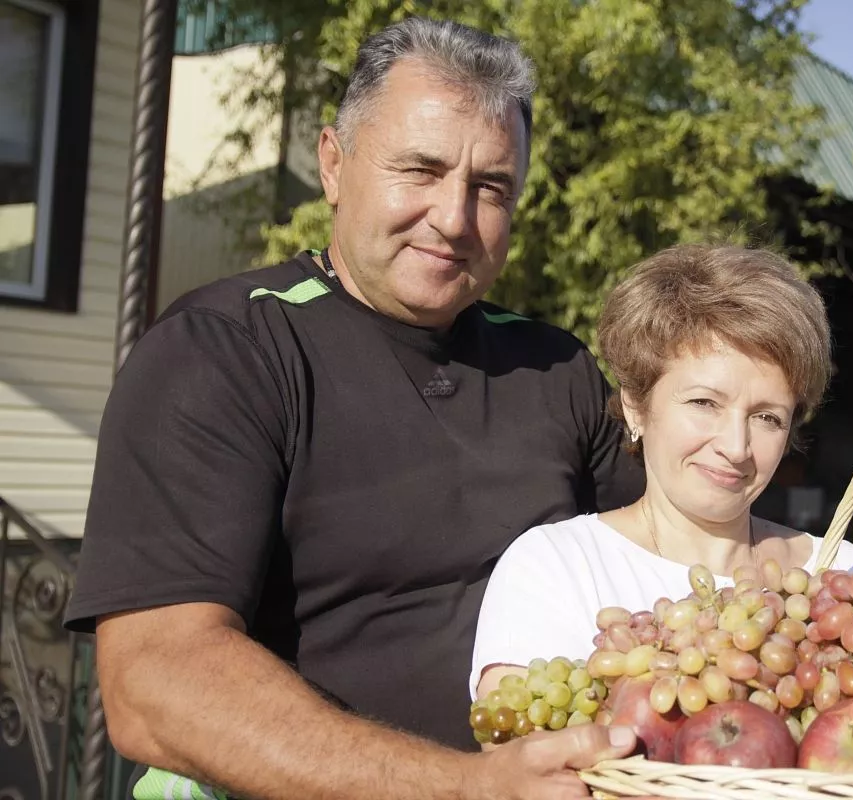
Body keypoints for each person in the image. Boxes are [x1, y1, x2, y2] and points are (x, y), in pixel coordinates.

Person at [63, 16, 647, 800]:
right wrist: (465, 789)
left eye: (491, 187)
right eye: (419, 170)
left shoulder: (558, 367)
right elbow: (155, 683)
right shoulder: (226, 350)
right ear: (334, 163)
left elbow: (675, 574)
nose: (453, 217)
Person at [471, 243, 853, 701]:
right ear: (635, 406)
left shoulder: (841, 572)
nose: (735, 447)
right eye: (704, 403)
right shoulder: (558, 567)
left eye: (767, 417)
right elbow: (518, 757)